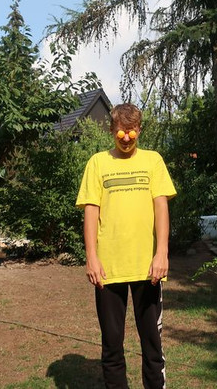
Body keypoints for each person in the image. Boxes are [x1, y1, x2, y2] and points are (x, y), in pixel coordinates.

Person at [76, 103, 177, 389]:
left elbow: (161, 208)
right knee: (111, 345)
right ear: (111, 130)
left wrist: (162, 253)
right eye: (121, 131)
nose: (126, 137)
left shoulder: (153, 161)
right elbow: (91, 211)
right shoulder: (97, 163)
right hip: (108, 270)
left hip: (148, 268)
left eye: (132, 131)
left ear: (139, 130)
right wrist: (91, 257)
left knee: (152, 344)